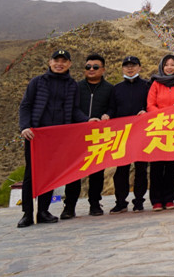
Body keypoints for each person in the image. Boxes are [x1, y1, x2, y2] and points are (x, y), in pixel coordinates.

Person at [17, 50, 96, 228]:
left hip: (59, 137)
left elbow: (75, 110)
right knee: (31, 174)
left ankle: (43, 210)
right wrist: (25, 127)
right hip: (36, 136)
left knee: (50, 174)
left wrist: (87, 120)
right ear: (50, 62)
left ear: (69, 64)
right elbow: (25, 105)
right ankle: (27, 213)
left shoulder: (72, 85)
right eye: (56, 60)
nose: (59, 64)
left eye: (63, 61)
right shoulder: (37, 82)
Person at [61, 54, 113, 219]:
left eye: (95, 67)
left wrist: (108, 114)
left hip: (98, 136)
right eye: (88, 67)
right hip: (77, 135)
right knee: (74, 172)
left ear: (103, 70)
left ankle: (95, 204)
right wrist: (85, 120)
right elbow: (72, 108)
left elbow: (113, 107)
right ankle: (69, 206)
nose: (91, 69)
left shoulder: (109, 88)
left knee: (97, 172)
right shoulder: (76, 87)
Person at [106, 56, 150, 213]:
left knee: (141, 169)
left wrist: (146, 111)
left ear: (139, 67)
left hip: (142, 134)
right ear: (122, 68)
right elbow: (112, 108)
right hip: (122, 135)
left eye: (133, 65)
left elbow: (151, 105)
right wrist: (107, 115)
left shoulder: (147, 86)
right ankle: (120, 202)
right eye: (126, 66)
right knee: (121, 171)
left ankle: (139, 201)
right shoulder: (116, 88)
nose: (130, 68)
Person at [147, 54, 174, 211]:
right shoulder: (156, 83)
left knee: (172, 165)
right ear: (162, 67)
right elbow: (150, 104)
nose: (169, 68)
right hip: (158, 128)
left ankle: (169, 198)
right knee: (157, 165)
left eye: (172, 65)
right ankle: (156, 200)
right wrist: (162, 116)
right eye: (166, 65)